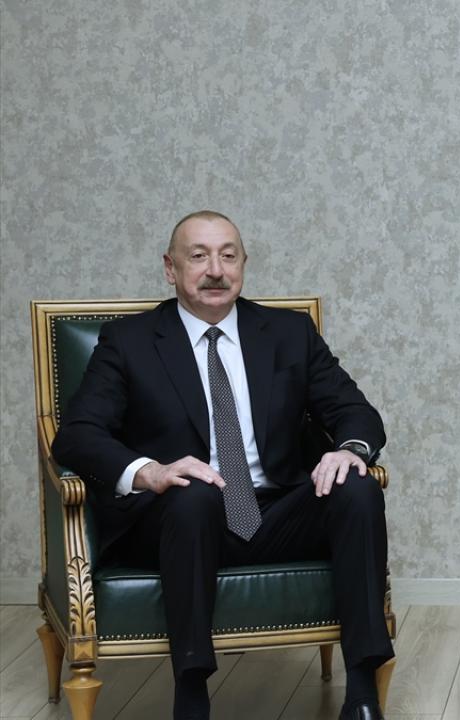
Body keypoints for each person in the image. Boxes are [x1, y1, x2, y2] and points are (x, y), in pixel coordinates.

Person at [52, 211, 393, 720]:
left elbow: (355, 412)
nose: (216, 270)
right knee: (195, 495)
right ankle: (191, 697)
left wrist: (350, 451)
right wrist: (149, 471)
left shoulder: (288, 332)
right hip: (178, 520)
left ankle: (362, 695)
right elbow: (77, 434)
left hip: (274, 510)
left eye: (228, 256)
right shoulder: (130, 341)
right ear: (170, 268)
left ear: (243, 264)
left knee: (357, 486)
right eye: (199, 256)